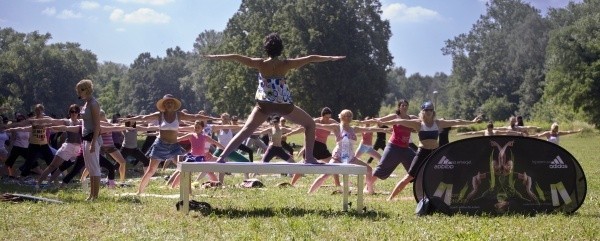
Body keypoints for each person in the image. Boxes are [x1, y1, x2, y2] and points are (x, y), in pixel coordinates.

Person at [205, 32, 345, 164]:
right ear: (280, 49)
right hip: (283, 104)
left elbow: (236, 56)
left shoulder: (260, 63)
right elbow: (310, 59)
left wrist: (216, 57)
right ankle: (309, 157)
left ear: (266, 49)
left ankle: (222, 156)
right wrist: (330, 58)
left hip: (264, 104)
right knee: (310, 125)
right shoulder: (286, 64)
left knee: (245, 130)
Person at [120, 94, 216, 195]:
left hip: (174, 146)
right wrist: (128, 120)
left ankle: (189, 193)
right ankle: (139, 192)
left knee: (184, 167)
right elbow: (144, 117)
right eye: (167, 103)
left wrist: (210, 118)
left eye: (171, 103)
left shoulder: (179, 115)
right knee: (151, 170)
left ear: (174, 105)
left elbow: (195, 116)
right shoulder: (160, 115)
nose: (169, 104)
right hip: (160, 145)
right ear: (164, 105)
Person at [385, 101, 482, 201]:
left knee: (446, 175)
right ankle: (390, 198)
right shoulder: (418, 124)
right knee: (409, 177)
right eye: (426, 110)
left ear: (433, 111)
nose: (429, 112)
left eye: (431, 110)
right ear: (423, 111)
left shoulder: (438, 123)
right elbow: (399, 121)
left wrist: (472, 122)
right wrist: (382, 122)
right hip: (422, 152)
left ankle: (443, 198)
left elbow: (456, 121)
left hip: (435, 153)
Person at [307, 110, 387, 194]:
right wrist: (306, 123)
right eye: (346, 116)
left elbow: (369, 128)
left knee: (369, 170)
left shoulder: (353, 129)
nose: (348, 118)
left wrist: (385, 130)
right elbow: (320, 125)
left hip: (350, 157)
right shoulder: (336, 127)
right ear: (341, 117)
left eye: (350, 116)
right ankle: (309, 193)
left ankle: (370, 191)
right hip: (338, 157)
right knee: (325, 175)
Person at [366, 100, 418, 194]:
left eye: (406, 105)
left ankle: (421, 188)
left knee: (417, 166)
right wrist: (374, 121)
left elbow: (423, 122)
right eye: (403, 105)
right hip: (393, 147)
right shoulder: (395, 116)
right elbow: (381, 120)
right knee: (381, 168)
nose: (405, 107)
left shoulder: (412, 118)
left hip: (405, 149)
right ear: (399, 107)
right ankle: (367, 187)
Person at [167, 120, 224, 188]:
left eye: (198, 127)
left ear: (202, 128)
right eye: (195, 127)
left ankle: (218, 186)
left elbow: (215, 143)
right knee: (182, 171)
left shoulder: (205, 136)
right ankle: (173, 187)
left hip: (201, 158)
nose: (196, 128)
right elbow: (179, 139)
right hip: (191, 157)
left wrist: (225, 149)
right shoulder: (191, 135)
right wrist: (168, 140)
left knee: (210, 172)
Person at [77, 79, 102, 201]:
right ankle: (91, 194)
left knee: (95, 167)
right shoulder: (86, 104)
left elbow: (97, 125)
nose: (78, 93)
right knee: (90, 167)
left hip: (93, 139)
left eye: (79, 90)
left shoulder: (93, 104)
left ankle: (95, 196)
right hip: (85, 138)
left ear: (85, 90)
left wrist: (93, 142)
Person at [458, 122, 524, 137]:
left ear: (492, 128)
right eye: (488, 128)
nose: (488, 130)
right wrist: (462, 133)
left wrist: (518, 133)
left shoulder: (496, 132)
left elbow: (507, 132)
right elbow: (473, 133)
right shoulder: (484, 132)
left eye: (490, 129)